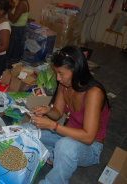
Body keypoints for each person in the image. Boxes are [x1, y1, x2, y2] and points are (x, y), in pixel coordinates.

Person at [29, 46, 110, 184]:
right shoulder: (65, 84)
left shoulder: (94, 93)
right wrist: (48, 110)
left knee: (65, 146)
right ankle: (53, 155)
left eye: (61, 73)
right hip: (66, 131)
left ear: (77, 71)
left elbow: (89, 137)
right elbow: (58, 113)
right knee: (28, 130)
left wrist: (53, 126)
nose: (57, 78)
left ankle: (54, 167)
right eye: (56, 73)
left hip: (90, 146)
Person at [6, 0, 31, 64]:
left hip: (16, 31)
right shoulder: (23, 2)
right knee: (13, 53)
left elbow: (14, 19)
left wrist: (7, 9)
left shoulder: (22, 3)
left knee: (11, 54)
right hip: (17, 30)